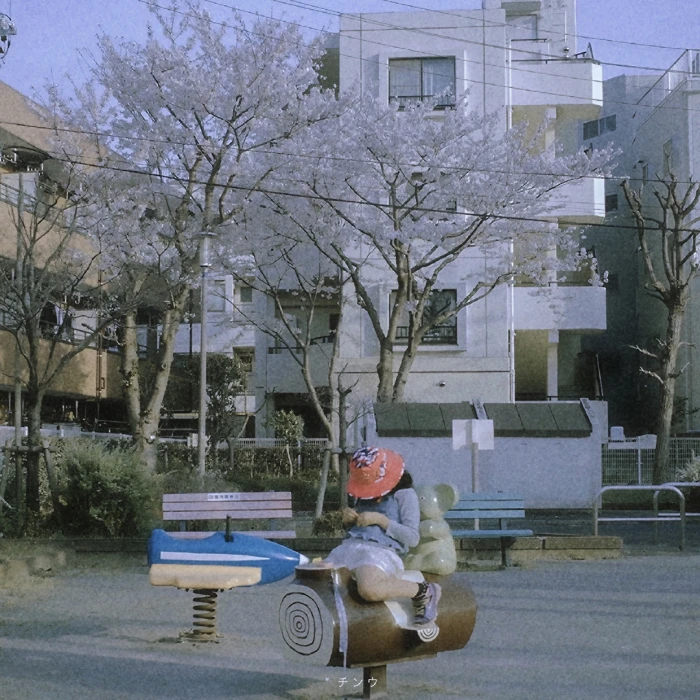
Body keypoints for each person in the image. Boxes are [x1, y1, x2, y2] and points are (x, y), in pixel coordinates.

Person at [320, 446, 441, 626]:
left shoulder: (405, 495)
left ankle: (422, 591)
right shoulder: (364, 493)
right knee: (318, 578)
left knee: (369, 589)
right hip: (349, 548)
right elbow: (361, 529)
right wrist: (348, 520)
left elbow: (412, 537)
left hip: (379, 553)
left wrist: (382, 521)